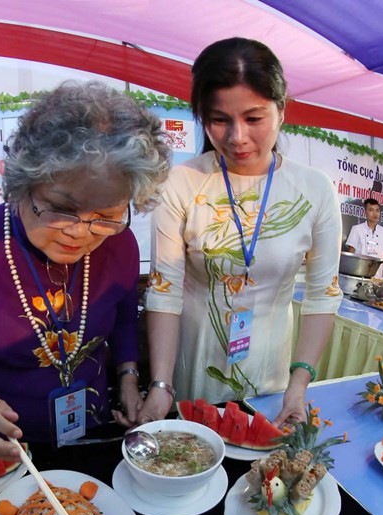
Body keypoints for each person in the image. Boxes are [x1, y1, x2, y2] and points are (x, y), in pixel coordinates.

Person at [0, 81, 171, 460]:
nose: (79, 232)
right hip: (7, 452)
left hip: (96, 433)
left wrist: (129, 378)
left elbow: (121, 322)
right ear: (23, 184)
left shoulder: (119, 244)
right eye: (61, 208)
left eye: (106, 216)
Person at [138, 37, 343, 428]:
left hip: (272, 368)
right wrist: (161, 383)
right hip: (193, 358)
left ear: (281, 110)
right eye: (219, 120)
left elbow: (322, 295)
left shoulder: (315, 190)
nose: (237, 137)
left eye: (253, 118)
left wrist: (298, 384)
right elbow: (165, 290)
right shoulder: (182, 183)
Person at [345, 197, 383, 280]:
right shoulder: (357, 229)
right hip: (358, 276)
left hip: (377, 278)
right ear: (365, 212)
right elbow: (351, 253)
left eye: (377, 210)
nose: (375, 214)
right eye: (371, 210)